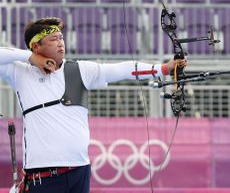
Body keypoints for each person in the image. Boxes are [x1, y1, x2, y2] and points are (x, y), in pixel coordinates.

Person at [0, 17, 187, 193]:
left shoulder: (79, 69)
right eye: (53, 39)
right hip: (43, 175)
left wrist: (163, 69)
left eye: (61, 38)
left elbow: (120, 70)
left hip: (80, 171)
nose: (60, 43)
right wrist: (32, 58)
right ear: (36, 46)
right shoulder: (20, 72)